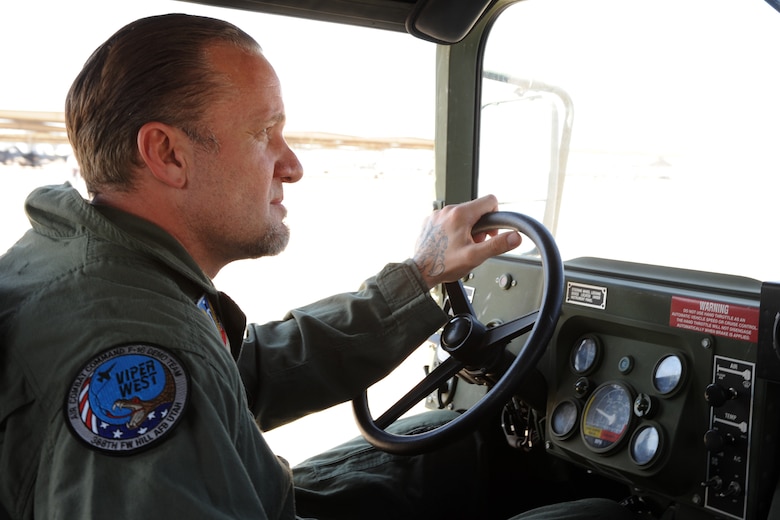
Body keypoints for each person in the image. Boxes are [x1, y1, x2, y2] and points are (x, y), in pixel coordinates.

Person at [0, 13, 635, 520]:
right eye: (264, 133)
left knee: (460, 435)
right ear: (167, 152)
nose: (292, 164)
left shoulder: (96, 267)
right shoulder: (131, 346)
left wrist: (418, 277)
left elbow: (245, 375)